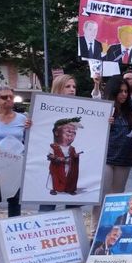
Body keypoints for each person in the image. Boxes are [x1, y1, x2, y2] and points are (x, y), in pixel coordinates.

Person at [92, 75, 132, 224]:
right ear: (113, 92)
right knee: (102, 195)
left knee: (117, 196)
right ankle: (95, 230)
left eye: (126, 91)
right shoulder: (105, 108)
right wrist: (104, 122)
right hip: (106, 157)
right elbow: (93, 131)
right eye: (120, 91)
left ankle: (112, 226)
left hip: (124, 158)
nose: (124, 94)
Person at [39, 75, 83, 212]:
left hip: (69, 155)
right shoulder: (45, 109)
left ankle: (74, 228)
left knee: (70, 178)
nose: (72, 89)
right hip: (56, 153)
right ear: (58, 88)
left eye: (74, 87)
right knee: (54, 181)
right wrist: (29, 125)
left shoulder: (81, 108)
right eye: (68, 86)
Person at [0, 85, 28, 218]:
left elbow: (29, 141)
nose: (9, 99)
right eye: (4, 97)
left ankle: (12, 236)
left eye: (11, 96)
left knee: (15, 202)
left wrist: (31, 128)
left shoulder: (24, 119)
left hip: (15, 167)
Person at [48, 117, 82, 195]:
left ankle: (70, 189)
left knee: (70, 177)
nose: (70, 136)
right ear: (57, 133)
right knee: (55, 178)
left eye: (73, 134)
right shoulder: (54, 146)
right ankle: (54, 189)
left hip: (68, 167)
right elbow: (50, 156)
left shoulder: (72, 148)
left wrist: (75, 156)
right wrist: (59, 159)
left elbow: (73, 156)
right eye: (68, 133)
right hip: (57, 167)